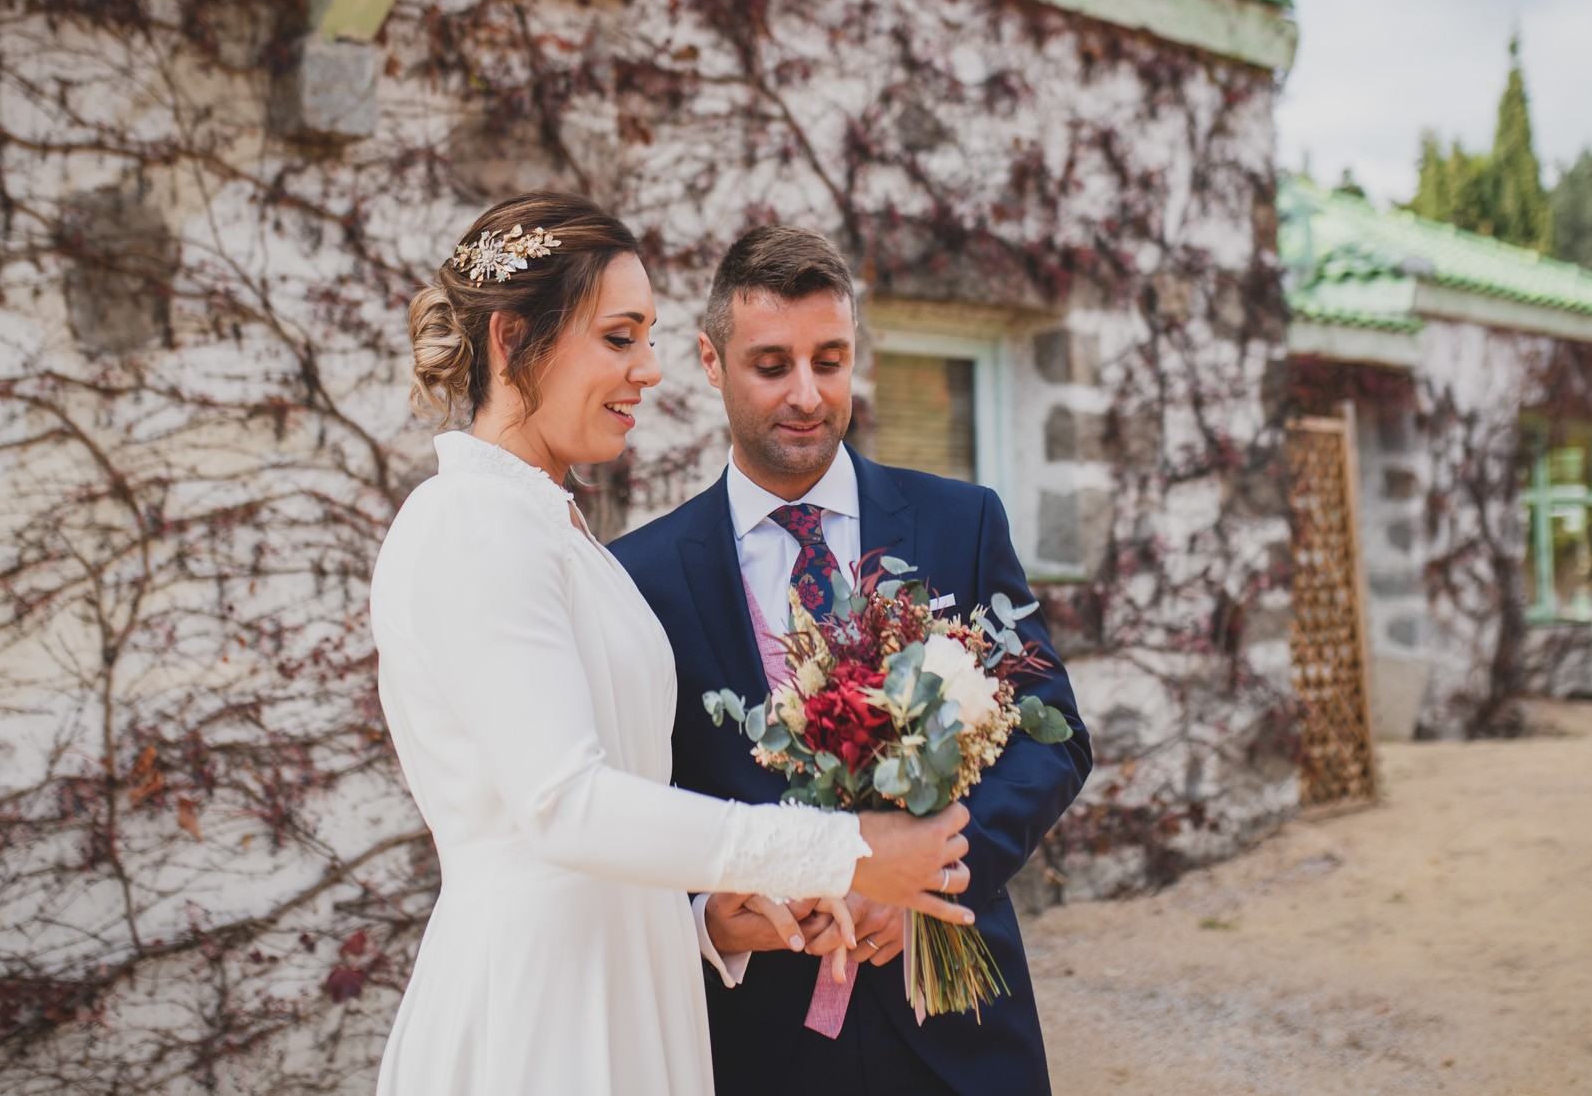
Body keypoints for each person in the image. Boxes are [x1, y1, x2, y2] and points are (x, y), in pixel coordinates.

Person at [369, 194, 978, 1096]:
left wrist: (707, 921)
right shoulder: (469, 522)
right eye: (619, 337)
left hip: (628, 985)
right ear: (510, 341)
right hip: (543, 1013)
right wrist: (837, 848)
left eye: (650, 337)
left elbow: (615, 812)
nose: (649, 370)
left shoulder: (560, 532)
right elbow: (564, 804)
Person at [610, 225, 1093, 1096]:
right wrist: (708, 919)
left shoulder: (963, 521)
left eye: (829, 360)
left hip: (961, 1029)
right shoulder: (638, 577)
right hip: (761, 1045)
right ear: (711, 363)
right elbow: (629, 809)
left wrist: (936, 876)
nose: (806, 394)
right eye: (771, 365)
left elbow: (1051, 737)